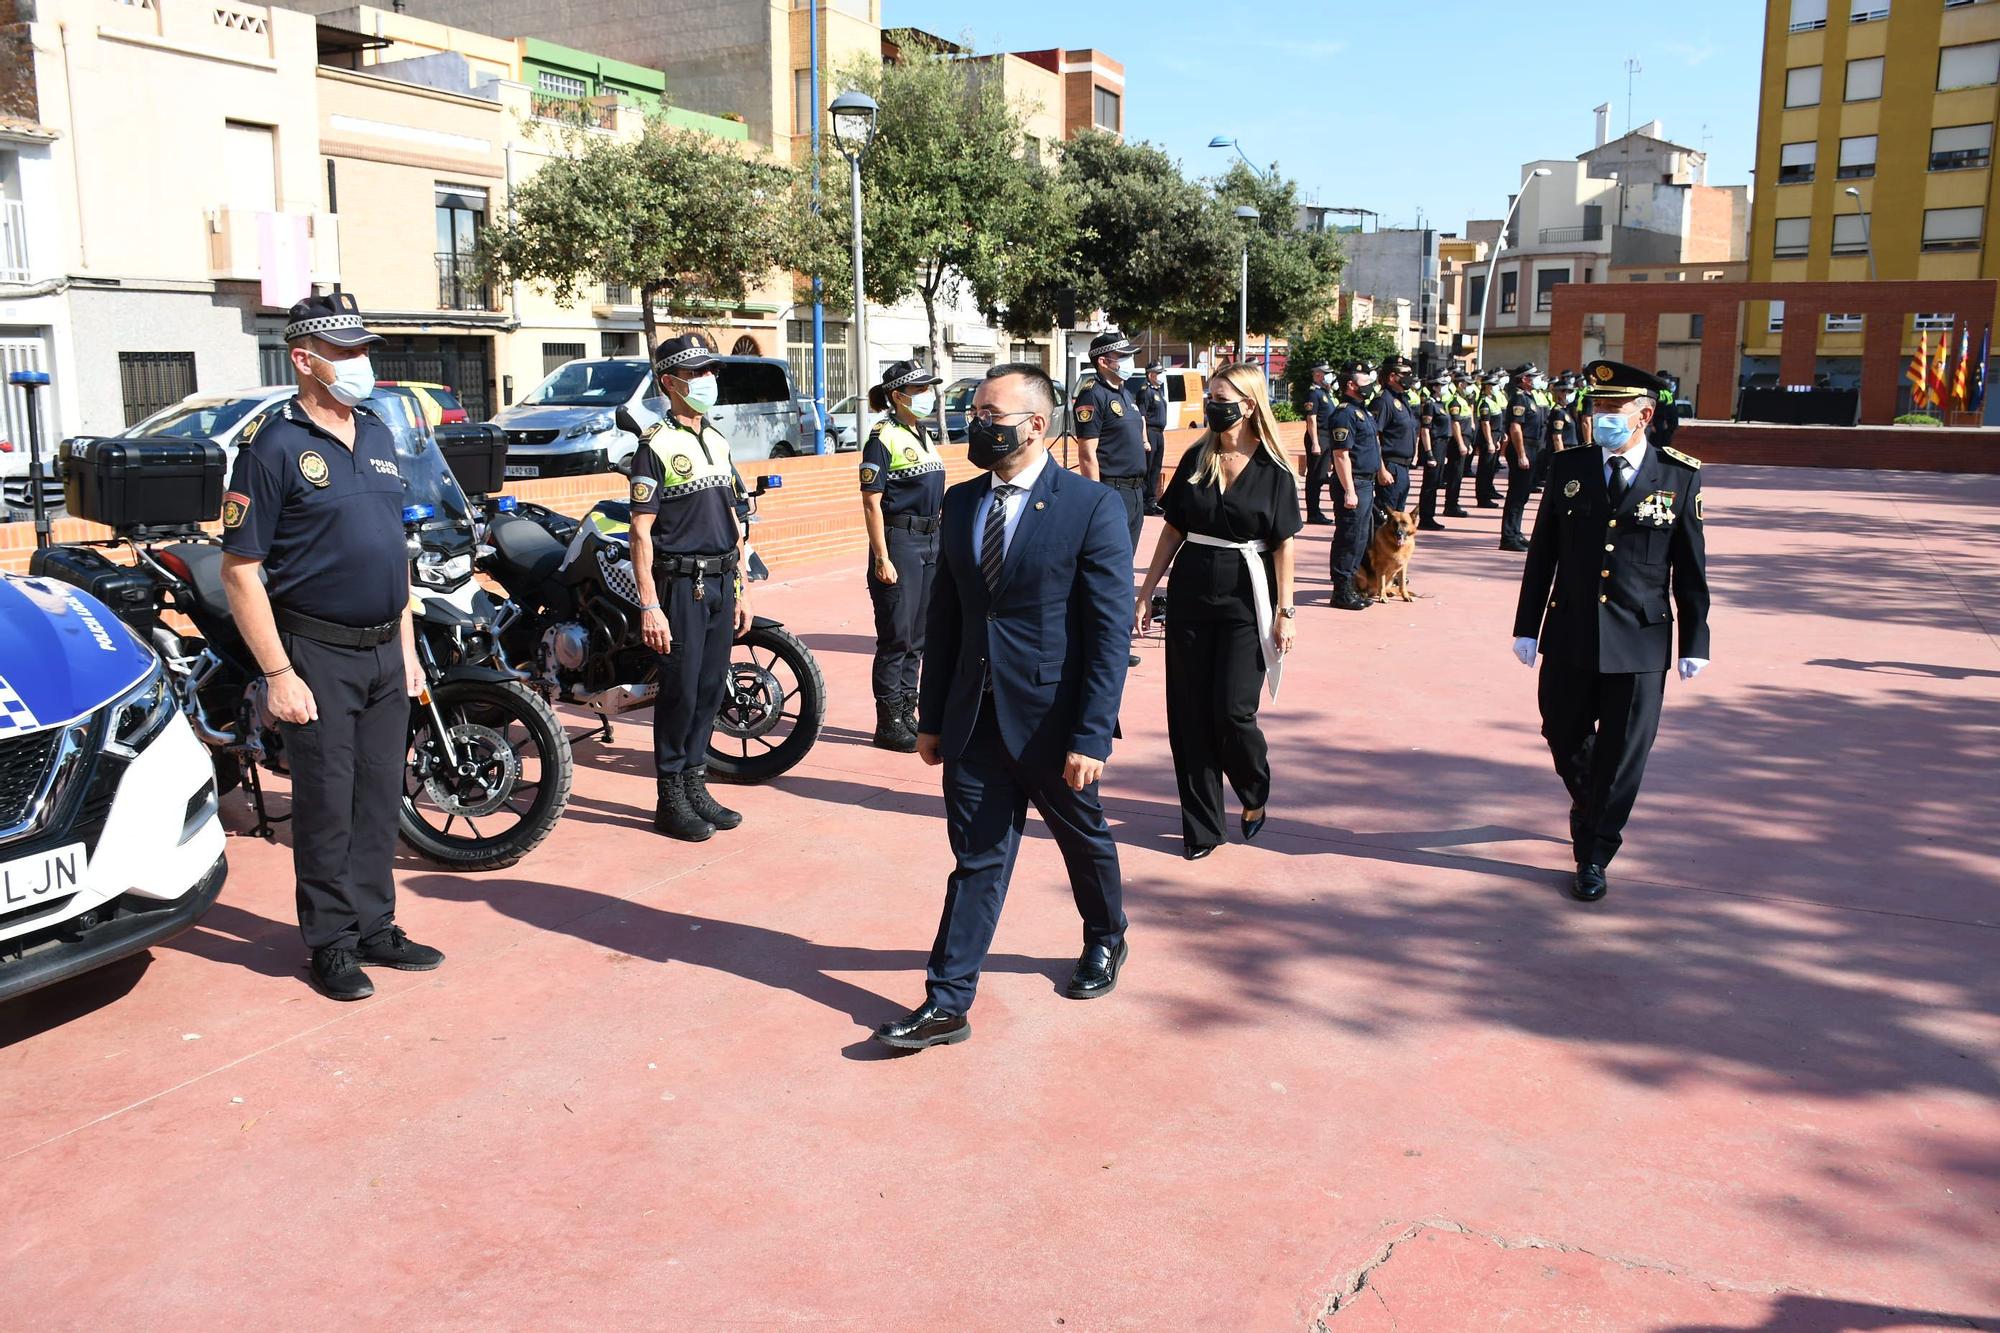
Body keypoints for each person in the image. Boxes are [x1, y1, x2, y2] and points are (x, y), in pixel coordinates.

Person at [873, 363, 1133, 1051]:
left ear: (1037, 426)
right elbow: (947, 617)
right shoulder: (961, 504)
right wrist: (930, 716)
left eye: (991, 413)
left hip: (1053, 720)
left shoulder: (1089, 507)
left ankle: (1106, 935)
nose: (976, 423)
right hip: (973, 718)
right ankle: (947, 1000)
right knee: (978, 859)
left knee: (1084, 837)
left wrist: (1093, 734)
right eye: (976, 411)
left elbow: (1108, 633)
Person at [220, 293, 441, 1001]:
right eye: (344, 352)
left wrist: (406, 645)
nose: (359, 364)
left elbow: (394, 552)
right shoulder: (273, 446)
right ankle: (331, 942)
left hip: (384, 649)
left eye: (362, 350)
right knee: (326, 801)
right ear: (303, 359)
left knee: (379, 795)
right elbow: (241, 570)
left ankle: (376, 924)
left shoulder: (375, 432)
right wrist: (278, 671)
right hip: (315, 654)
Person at [1511, 360, 1710, 903]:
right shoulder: (1568, 468)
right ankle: (1592, 801)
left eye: (1611, 410)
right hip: (1572, 629)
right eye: (1596, 408)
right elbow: (1543, 555)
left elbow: (1691, 570)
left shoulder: (1679, 474)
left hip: (1641, 640)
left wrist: (1697, 640)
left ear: (1644, 416)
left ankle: (1594, 853)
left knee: (1623, 756)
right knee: (1561, 733)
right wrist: (1527, 627)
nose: (1599, 418)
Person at [1134, 363, 1300, 858]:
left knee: (1232, 712)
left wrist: (1286, 611)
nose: (1213, 405)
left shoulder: (1275, 469)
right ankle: (1203, 827)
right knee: (1187, 717)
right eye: (1210, 396)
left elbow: (1282, 545)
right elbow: (1172, 530)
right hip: (1190, 595)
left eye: (1221, 397)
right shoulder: (1195, 458)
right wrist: (1146, 591)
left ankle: (1253, 790)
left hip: (1247, 598)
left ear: (1249, 404)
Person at [629, 333, 754, 842]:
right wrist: (649, 605)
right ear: (669, 383)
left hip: (723, 580)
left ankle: (696, 781)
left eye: (710, 373)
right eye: (696, 374)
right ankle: (670, 796)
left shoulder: (718, 441)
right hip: (682, 585)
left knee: (708, 689)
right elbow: (640, 531)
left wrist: (745, 586)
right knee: (679, 691)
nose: (708, 382)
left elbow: (733, 515)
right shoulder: (653, 445)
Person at [859, 359, 947, 752]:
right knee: (896, 636)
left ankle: (906, 710)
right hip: (900, 541)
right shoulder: (882, 437)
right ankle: (888, 719)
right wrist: (881, 556)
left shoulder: (922, 433)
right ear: (897, 396)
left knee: (920, 636)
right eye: (919, 390)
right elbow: (871, 503)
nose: (927, 396)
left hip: (931, 540)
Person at [1072, 329, 1149, 668]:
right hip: (1112, 491)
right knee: (1109, 571)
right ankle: (1101, 643)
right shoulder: (1093, 395)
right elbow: (1087, 453)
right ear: (1104, 361)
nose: (1130, 361)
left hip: (1134, 491)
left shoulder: (1125, 393)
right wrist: (1096, 500)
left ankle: (1115, 641)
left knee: (1123, 569)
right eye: (1124, 356)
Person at [1326, 360, 1381, 612]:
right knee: (1349, 537)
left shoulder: (1363, 411)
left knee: (1361, 537)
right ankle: (1341, 590)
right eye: (1365, 381)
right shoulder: (1345, 413)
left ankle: (1352, 584)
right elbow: (1341, 455)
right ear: (1350, 384)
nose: (1370, 386)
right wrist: (1349, 490)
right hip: (1354, 484)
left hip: (1365, 483)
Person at [1498, 362, 1546, 552]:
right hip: (1523, 447)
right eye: (1534, 377)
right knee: (1516, 495)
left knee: (1523, 495)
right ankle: (1508, 537)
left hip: (1532, 448)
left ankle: (1515, 532)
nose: (1538, 380)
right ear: (1525, 379)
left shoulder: (1529, 397)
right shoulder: (1519, 399)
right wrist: (1521, 454)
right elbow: (1515, 427)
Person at [1416, 369, 1463, 532]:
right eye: (1442, 384)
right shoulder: (1430, 404)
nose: (1445, 387)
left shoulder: (1441, 403)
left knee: (1435, 483)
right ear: (1434, 387)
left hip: (1443, 445)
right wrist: (1428, 453)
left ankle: (1430, 515)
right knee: (1430, 483)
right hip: (1435, 445)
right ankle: (1426, 517)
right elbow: (1425, 430)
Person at [1372, 354, 1420, 514]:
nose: (1410, 378)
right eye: (1405, 374)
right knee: (1386, 518)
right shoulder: (1383, 401)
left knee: (1398, 516)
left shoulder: (1402, 399)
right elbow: (1375, 437)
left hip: (1403, 467)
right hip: (1390, 466)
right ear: (1392, 376)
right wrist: (1381, 469)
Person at [1302, 362, 1334, 524]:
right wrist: (1315, 442)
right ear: (1318, 374)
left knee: (1321, 476)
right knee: (1315, 477)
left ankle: (1316, 511)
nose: (1329, 375)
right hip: (1319, 437)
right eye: (1326, 373)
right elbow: (1311, 419)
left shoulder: (1325, 392)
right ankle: (1313, 513)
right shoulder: (1313, 393)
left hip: (1327, 438)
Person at [1138, 360, 1170, 516]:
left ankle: (1151, 501)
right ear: (1150, 375)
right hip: (1150, 432)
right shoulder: (1145, 391)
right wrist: (1145, 439)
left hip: (1159, 433)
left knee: (1156, 468)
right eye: (1158, 373)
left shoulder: (1158, 390)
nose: (1161, 376)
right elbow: (1142, 417)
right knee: (1148, 468)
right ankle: (1143, 502)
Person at [1444, 369, 1476, 519]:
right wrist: (1462, 443)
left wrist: (1467, 443)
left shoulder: (1463, 400)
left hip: (1464, 440)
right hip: (1457, 442)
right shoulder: (1455, 401)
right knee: (1454, 475)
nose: (1470, 387)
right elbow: (1455, 424)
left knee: (1458, 474)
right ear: (1461, 384)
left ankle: (1453, 503)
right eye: (1468, 384)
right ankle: (1450, 505)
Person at [1475, 369, 1507, 507]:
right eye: (1492, 385)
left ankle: (1488, 493)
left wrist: (1499, 436)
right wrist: (1490, 442)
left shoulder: (1492, 400)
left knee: (1490, 469)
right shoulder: (1484, 403)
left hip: (1495, 436)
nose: (1495, 387)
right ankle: (1483, 498)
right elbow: (1485, 423)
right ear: (1486, 386)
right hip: (1488, 438)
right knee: (1485, 469)